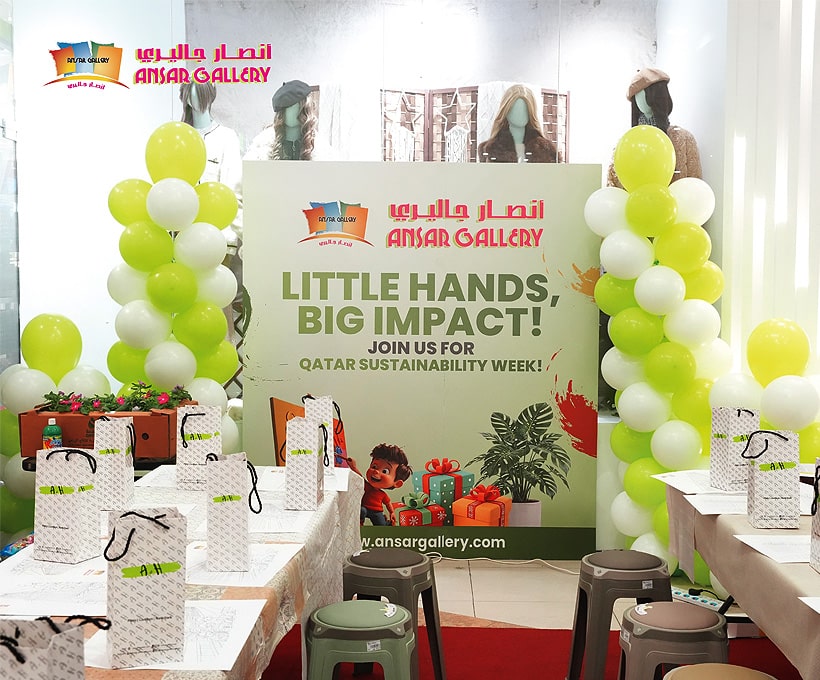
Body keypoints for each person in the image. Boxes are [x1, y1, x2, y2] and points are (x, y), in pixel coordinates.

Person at [607, 67, 702, 187]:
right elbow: (613, 186)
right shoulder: (626, 143)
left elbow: (695, 185)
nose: (654, 98)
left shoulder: (683, 139)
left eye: (658, 92)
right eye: (645, 92)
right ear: (635, 98)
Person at [477, 84, 559, 163]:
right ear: (506, 111)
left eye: (525, 109)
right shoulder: (488, 150)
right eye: (515, 109)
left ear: (531, 112)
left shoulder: (547, 151)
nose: (520, 115)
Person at [243, 79, 318, 161]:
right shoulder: (261, 147)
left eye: (292, 106)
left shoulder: (318, 147)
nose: (287, 112)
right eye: (286, 107)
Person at [347, 443, 412, 526]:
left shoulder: (383, 495)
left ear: (397, 483)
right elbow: (360, 477)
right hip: (365, 508)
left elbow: (388, 503)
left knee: (381, 525)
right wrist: (353, 467)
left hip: (377, 512)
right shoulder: (367, 486)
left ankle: (387, 523)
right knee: (361, 511)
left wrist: (392, 512)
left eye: (385, 471)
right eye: (374, 466)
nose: (376, 471)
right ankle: (359, 523)